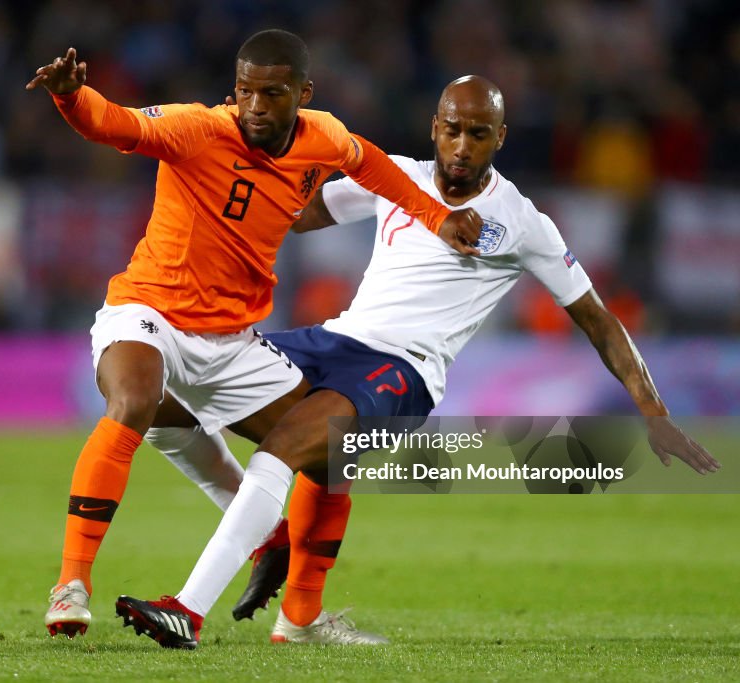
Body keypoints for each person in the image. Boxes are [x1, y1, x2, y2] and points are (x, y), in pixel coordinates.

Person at [118, 75, 721, 649]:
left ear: (500, 137)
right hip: (333, 341)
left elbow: (598, 318)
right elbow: (296, 215)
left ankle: (187, 611)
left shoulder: (522, 221)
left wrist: (653, 409)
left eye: (478, 134)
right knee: (169, 401)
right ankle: (293, 600)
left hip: (403, 370)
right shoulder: (395, 178)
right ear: (434, 127)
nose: (462, 146)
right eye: (453, 129)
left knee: (294, 444)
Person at [24, 30, 484, 638]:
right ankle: (72, 584)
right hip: (148, 314)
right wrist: (72, 98)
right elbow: (119, 126)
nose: (257, 106)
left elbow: (373, 167)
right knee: (135, 402)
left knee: (330, 455)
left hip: (232, 342)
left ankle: (298, 605)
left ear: (303, 94)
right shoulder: (197, 128)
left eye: (272, 93)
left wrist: (439, 217)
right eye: (246, 92)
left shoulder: (323, 136)